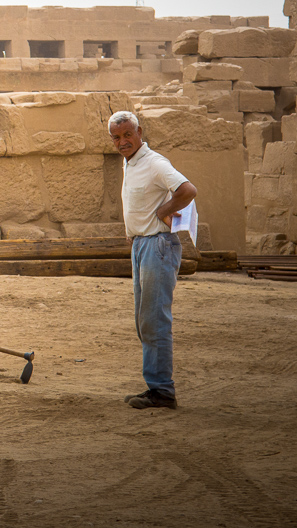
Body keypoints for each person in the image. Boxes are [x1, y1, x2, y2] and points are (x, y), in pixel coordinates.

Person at [108, 109, 198, 410]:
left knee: (154, 320)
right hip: (143, 245)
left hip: (157, 245)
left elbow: (188, 190)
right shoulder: (131, 162)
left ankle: (162, 391)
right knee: (145, 321)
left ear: (140, 132)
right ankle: (156, 386)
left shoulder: (155, 162)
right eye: (117, 137)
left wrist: (163, 212)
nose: (123, 142)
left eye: (127, 135)